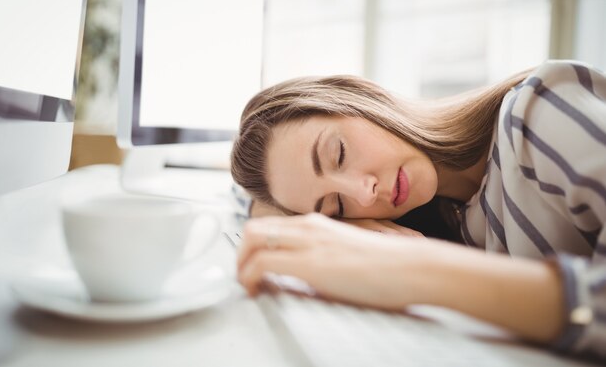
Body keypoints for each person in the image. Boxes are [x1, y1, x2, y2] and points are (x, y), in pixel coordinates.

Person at [230, 60, 606, 360]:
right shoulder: (451, 216)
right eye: (337, 207)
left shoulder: (537, 115)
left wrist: (413, 267)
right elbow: (248, 207)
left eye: (339, 154)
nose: (364, 193)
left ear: (360, 100)